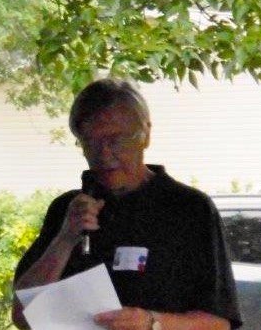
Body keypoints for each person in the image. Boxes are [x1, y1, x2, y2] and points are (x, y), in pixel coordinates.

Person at [12, 78, 242, 330]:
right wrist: (65, 239)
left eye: (115, 140)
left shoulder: (190, 209)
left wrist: (151, 323)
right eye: (90, 142)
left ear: (145, 135)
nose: (104, 154)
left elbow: (219, 324)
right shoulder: (68, 210)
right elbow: (23, 316)